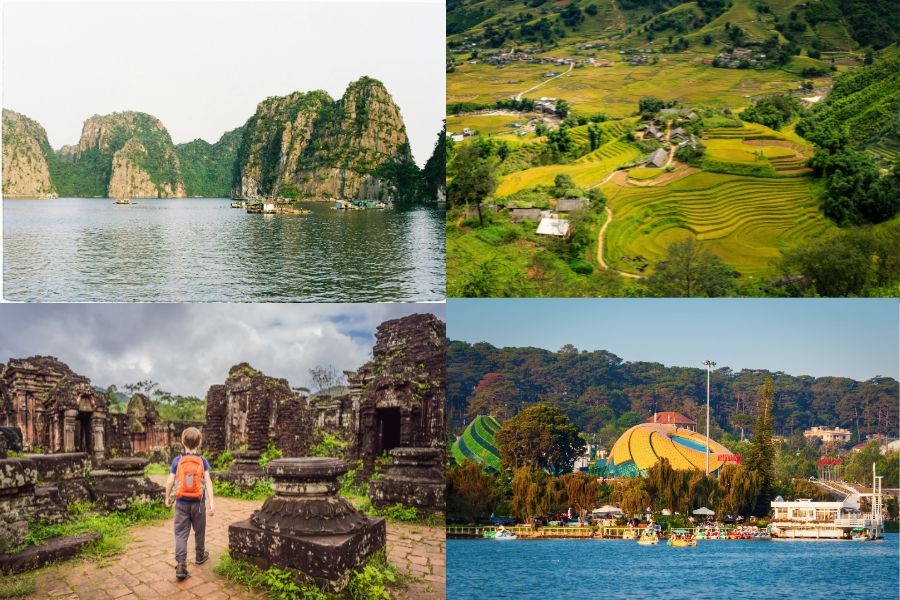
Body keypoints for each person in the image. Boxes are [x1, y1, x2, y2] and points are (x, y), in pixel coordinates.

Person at [165, 427, 216, 581]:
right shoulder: (202, 460)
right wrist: (211, 504)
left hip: (181, 503)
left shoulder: (177, 460)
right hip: (199, 504)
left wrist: (167, 497)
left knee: (181, 533)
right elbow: (208, 482)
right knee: (199, 531)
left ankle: (181, 564)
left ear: (182, 441)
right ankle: (200, 555)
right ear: (200, 443)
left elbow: (170, 481)